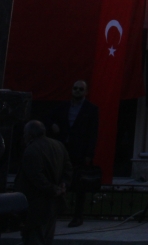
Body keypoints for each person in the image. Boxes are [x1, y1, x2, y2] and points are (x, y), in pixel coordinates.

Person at [48, 80, 98, 227]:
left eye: (80, 89)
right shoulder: (63, 106)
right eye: (75, 88)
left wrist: (89, 153)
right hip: (62, 149)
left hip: (79, 151)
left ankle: (78, 216)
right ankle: (56, 211)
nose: (77, 91)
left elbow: (93, 133)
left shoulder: (91, 109)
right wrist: (52, 125)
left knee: (79, 184)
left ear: (85, 92)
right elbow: (48, 117)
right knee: (58, 179)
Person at [14, 120, 72, 245]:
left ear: (30, 135)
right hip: (53, 205)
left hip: (36, 205)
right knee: (47, 237)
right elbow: (67, 168)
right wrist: (64, 184)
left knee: (34, 238)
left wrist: (52, 189)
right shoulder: (58, 145)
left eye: (25, 133)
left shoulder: (32, 150)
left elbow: (36, 176)